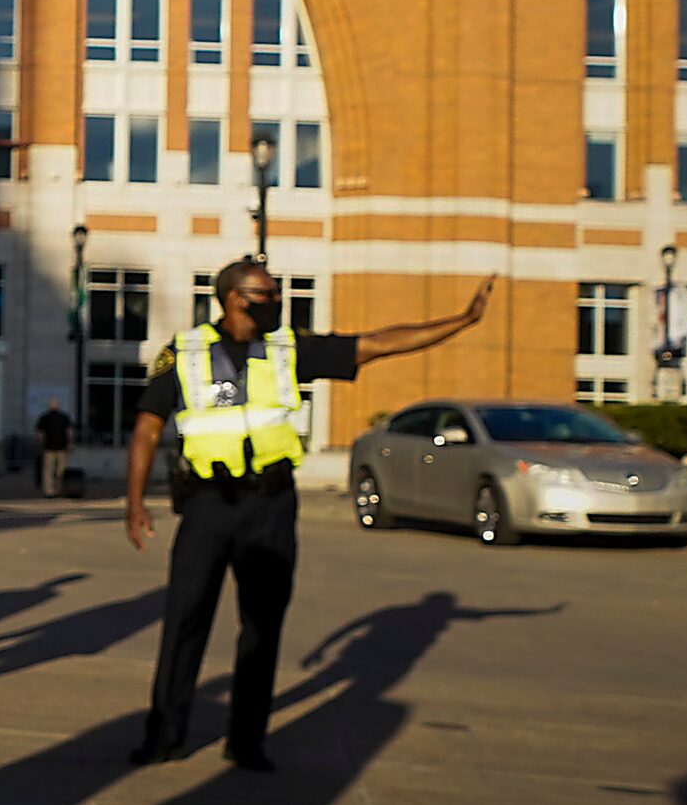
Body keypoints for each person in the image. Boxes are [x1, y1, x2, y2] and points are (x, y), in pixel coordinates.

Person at [122, 261, 494, 771]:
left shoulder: (288, 349)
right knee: (185, 620)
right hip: (208, 504)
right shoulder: (182, 354)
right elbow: (146, 427)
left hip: (270, 506)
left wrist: (462, 320)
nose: (275, 300)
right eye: (266, 292)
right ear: (234, 297)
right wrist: (135, 501)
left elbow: (376, 343)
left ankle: (247, 742)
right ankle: (164, 736)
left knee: (262, 627)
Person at [34, 397, 74, 497]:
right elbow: (69, 432)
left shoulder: (45, 417)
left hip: (49, 448)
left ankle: (49, 491)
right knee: (60, 470)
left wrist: (40, 444)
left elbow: (40, 433)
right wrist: (70, 443)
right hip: (61, 448)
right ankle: (58, 490)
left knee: (48, 470)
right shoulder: (63, 417)